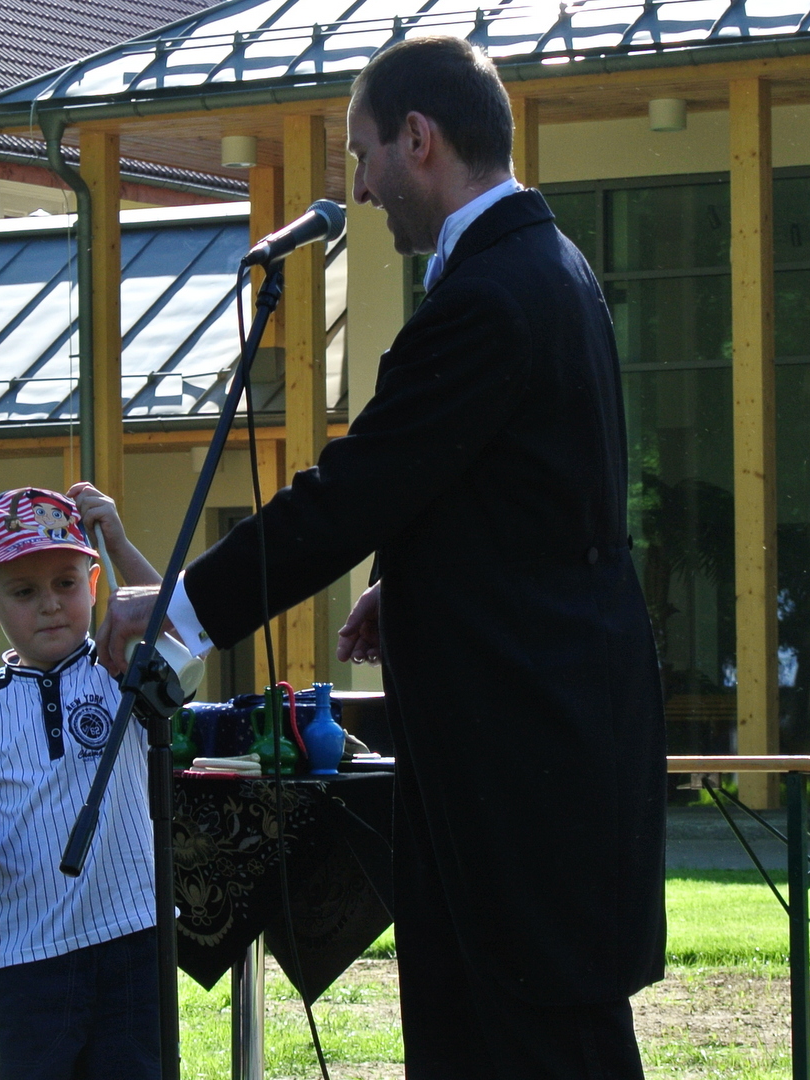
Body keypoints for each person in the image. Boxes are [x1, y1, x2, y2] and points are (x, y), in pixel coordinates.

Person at [102, 35, 665, 1080]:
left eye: (361, 155)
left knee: (539, 1043)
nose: (358, 189)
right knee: (481, 1035)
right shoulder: (544, 268)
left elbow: (352, 493)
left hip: (521, 756)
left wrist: (179, 609)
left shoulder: (490, 296)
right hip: (530, 740)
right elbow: (514, 498)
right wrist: (405, 580)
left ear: (419, 139)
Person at [0, 483, 164, 1080]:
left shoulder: (120, 666)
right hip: (24, 957)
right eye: (24, 591)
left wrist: (118, 541)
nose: (50, 605)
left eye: (66, 583)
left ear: (94, 584)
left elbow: (178, 630)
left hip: (133, 941)